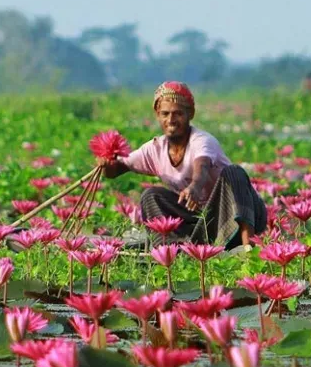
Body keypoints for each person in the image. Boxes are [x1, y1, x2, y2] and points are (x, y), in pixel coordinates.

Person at [100, 81, 267, 250]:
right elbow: (116, 169)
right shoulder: (154, 149)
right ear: (158, 115)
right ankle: (172, 250)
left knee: (234, 172)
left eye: (178, 114)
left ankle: (249, 248)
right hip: (201, 223)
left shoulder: (202, 141)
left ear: (190, 114)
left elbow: (201, 167)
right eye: (165, 114)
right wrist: (106, 165)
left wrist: (194, 187)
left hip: (233, 214)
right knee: (151, 196)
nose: (171, 120)